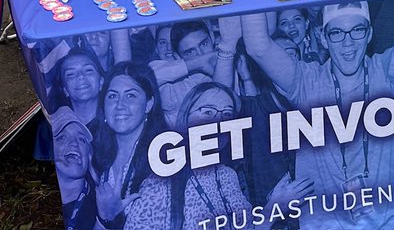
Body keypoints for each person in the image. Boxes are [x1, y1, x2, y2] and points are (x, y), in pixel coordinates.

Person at [241, 0, 394, 229]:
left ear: (369, 35)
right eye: (336, 33)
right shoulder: (305, 81)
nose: (348, 43)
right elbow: (258, 46)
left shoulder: (387, 71)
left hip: (387, 222)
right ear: (323, 39)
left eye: (357, 30)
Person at [123, 82, 312, 230]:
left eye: (227, 114)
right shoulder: (161, 180)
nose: (218, 121)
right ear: (186, 117)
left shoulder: (227, 176)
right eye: (207, 112)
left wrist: (273, 205)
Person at [92, 63, 166, 227]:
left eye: (130, 95)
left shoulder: (165, 159)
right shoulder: (95, 162)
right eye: (112, 96)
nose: (120, 105)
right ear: (103, 107)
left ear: (148, 104)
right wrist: (105, 218)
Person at [50, 106, 101, 230]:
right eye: (62, 137)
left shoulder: (100, 206)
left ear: (89, 154)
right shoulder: (45, 205)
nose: (73, 143)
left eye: (81, 139)